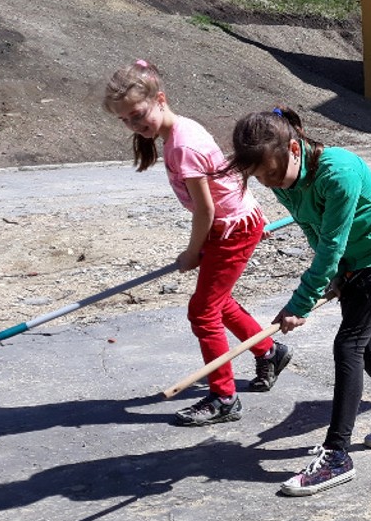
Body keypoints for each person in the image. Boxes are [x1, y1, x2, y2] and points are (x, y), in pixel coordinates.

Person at [222, 106, 371, 496]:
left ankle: (337, 455)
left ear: (294, 149)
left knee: (349, 345)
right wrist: (334, 278)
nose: (269, 183)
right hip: (353, 262)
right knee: (366, 346)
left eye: (271, 173)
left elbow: (332, 245)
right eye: (259, 178)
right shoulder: (285, 181)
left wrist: (301, 303)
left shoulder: (338, 172)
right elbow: (313, 230)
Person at [103, 60, 291, 426]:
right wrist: (248, 215)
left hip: (231, 229)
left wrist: (192, 252)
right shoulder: (181, 131)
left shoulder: (182, 146)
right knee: (217, 302)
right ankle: (269, 351)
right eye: (125, 120)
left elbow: (205, 209)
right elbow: (224, 182)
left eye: (138, 115)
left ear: (160, 99)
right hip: (233, 225)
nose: (134, 125)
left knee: (203, 312)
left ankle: (224, 397)